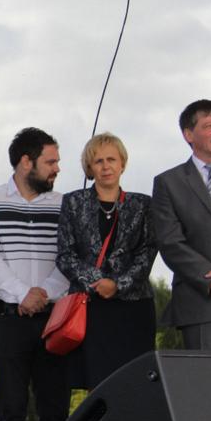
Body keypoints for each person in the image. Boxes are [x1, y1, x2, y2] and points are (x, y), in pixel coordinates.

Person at [0, 127, 70, 421]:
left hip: (55, 320)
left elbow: (70, 258)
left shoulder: (64, 205)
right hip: (7, 320)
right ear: (26, 162)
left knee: (55, 412)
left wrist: (44, 293)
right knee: (10, 412)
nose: (57, 168)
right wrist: (23, 294)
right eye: (51, 162)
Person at [55, 133, 156, 389]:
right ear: (89, 168)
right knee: (98, 386)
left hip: (134, 308)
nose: (106, 166)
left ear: (122, 163)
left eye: (111, 159)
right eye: (98, 161)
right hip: (91, 308)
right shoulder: (73, 202)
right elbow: (65, 255)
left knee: (137, 386)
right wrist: (98, 281)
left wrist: (118, 285)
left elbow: (148, 252)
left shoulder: (142, 204)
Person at [152, 99, 211, 349]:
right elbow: (170, 243)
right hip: (200, 306)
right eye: (209, 126)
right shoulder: (168, 183)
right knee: (208, 376)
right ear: (188, 134)